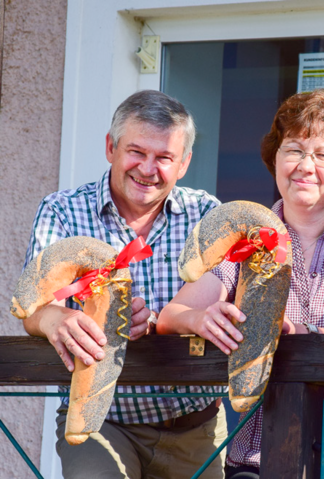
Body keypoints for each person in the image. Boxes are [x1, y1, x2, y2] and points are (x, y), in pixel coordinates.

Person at [158, 89, 324, 479]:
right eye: (293, 150)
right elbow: (170, 317)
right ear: (274, 158)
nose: (306, 166)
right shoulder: (244, 239)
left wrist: (308, 335)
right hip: (260, 455)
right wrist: (201, 320)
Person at [22, 90, 227, 479]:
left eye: (164, 158)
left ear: (183, 164)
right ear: (110, 148)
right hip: (101, 420)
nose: (148, 169)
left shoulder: (207, 214)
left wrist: (158, 324)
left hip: (196, 426)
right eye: (137, 152)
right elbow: (33, 306)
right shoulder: (63, 212)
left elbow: (219, 301)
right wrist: (56, 319)